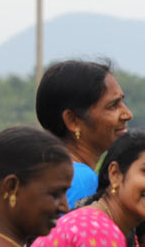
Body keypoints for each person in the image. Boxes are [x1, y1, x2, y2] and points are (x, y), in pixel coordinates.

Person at [35, 59, 133, 207]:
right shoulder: (81, 180)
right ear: (73, 120)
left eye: (122, 102)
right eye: (113, 106)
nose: (128, 114)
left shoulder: (44, 171)